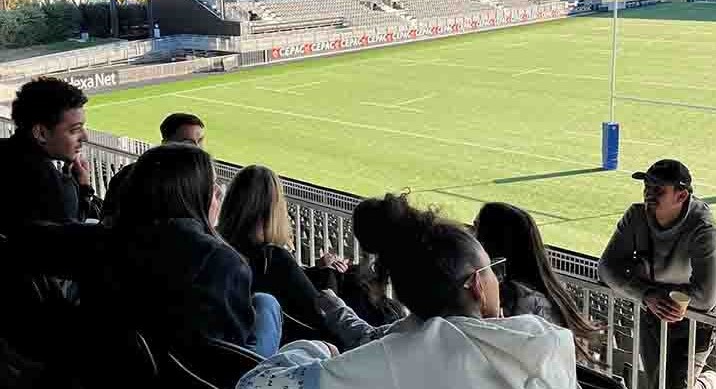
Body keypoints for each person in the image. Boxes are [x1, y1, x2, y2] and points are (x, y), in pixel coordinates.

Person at [237, 193, 578, 389]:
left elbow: (255, 383)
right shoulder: (545, 341)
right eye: (492, 269)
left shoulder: (392, 357)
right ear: (476, 285)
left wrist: (313, 349)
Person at [9, 144, 282, 359]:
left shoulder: (99, 240)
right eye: (211, 189)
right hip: (193, 375)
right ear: (193, 197)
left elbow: (24, 238)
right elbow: (230, 356)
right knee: (266, 302)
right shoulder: (221, 261)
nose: (217, 196)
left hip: (111, 365)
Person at [599, 160, 716, 389]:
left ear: (681, 196)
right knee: (657, 383)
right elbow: (606, 268)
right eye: (647, 186)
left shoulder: (703, 228)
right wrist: (646, 295)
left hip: (695, 321)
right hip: (652, 312)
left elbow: (706, 297)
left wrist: (653, 293)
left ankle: (706, 382)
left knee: (674, 385)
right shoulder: (636, 216)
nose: (649, 193)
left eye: (658, 189)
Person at [218, 165, 332, 342]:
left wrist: (316, 271)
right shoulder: (273, 259)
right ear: (274, 209)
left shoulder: (215, 246)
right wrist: (330, 277)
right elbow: (323, 316)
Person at [474, 202, 601, 361]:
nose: (469, 236)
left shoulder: (515, 298)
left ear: (491, 241)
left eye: (475, 227)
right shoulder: (545, 291)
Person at [0, 77, 100, 235]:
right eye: (75, 130)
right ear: (41, 133)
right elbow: (73, 229)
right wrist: (83, 187)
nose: (85, 137)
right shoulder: (57, 188)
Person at [101, 112, 205, 225]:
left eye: (200, 141)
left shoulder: (202, 179)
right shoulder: (131, 176)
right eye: (188, 143)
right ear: (166, 144)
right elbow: (108, 220)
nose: (197, 148)